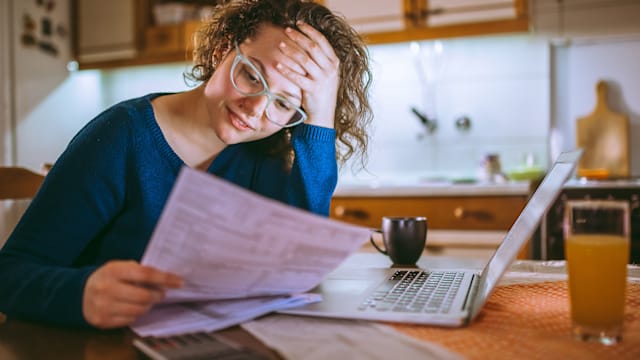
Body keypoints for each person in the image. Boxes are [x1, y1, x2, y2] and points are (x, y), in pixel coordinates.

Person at [0, 0, 372, 329]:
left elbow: (298, 272)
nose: (256, 109)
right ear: (222, 50)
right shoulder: (120, 136)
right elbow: (11, 273)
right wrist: (80, 293)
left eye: (284, 104)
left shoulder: (266, 156)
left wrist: (320, 119)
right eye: (250, 75)